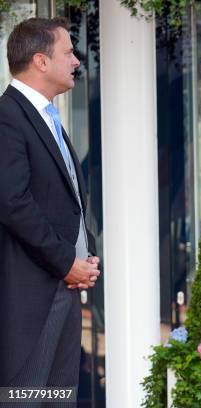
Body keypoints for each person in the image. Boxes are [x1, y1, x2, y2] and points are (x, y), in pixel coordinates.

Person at [0, 17, 100, 396]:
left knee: (58, 398)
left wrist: (85, 252)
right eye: (68, 52)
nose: (76, 60)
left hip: (64, 289)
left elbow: (66, 197)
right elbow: (13, 203)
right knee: (24, 398)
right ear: (41, 61)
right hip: (32, 297)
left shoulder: (48, 118)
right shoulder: (7, 116)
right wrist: (65, 262)